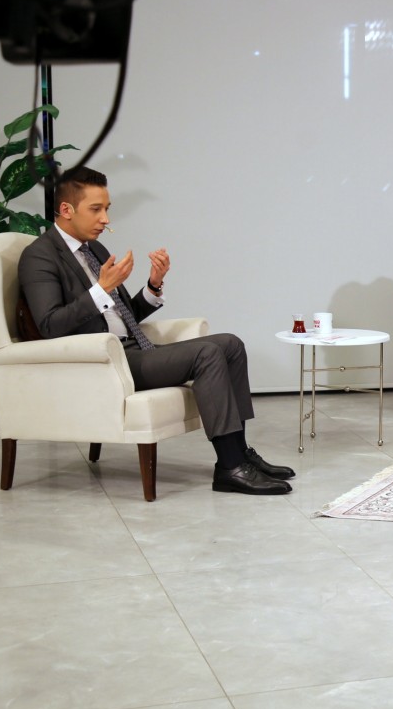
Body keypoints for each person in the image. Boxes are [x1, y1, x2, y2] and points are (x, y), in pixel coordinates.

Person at [18, 167, 296, 496]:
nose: (106, 219)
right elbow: (51, 325)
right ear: (66, 209)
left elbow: (124, 315)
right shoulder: (39, 256)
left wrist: (152, 285)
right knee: (207, 353)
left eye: (107, 208)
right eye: (96, 209)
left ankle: (241, 453)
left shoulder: (95, 250)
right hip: (105, 362)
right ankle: (230, 467)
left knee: (231, 344)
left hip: (134, 349)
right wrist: (101, 290)